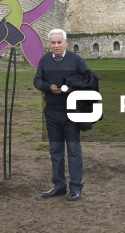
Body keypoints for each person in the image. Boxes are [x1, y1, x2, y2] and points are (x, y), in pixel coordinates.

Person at [34, 28, 93, 201]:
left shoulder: (76, 60)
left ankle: (75, 187)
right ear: (49, 44)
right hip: (52, 113)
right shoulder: (44, 60)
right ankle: (59, 185)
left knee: (74, 150)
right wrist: (48, 87)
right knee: (56, 150)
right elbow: (37, 80)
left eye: (59, 42)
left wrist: (72, 87)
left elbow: (88, 78)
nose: (56, 45)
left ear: (65, 43)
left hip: (71, 113)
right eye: (53, 42)